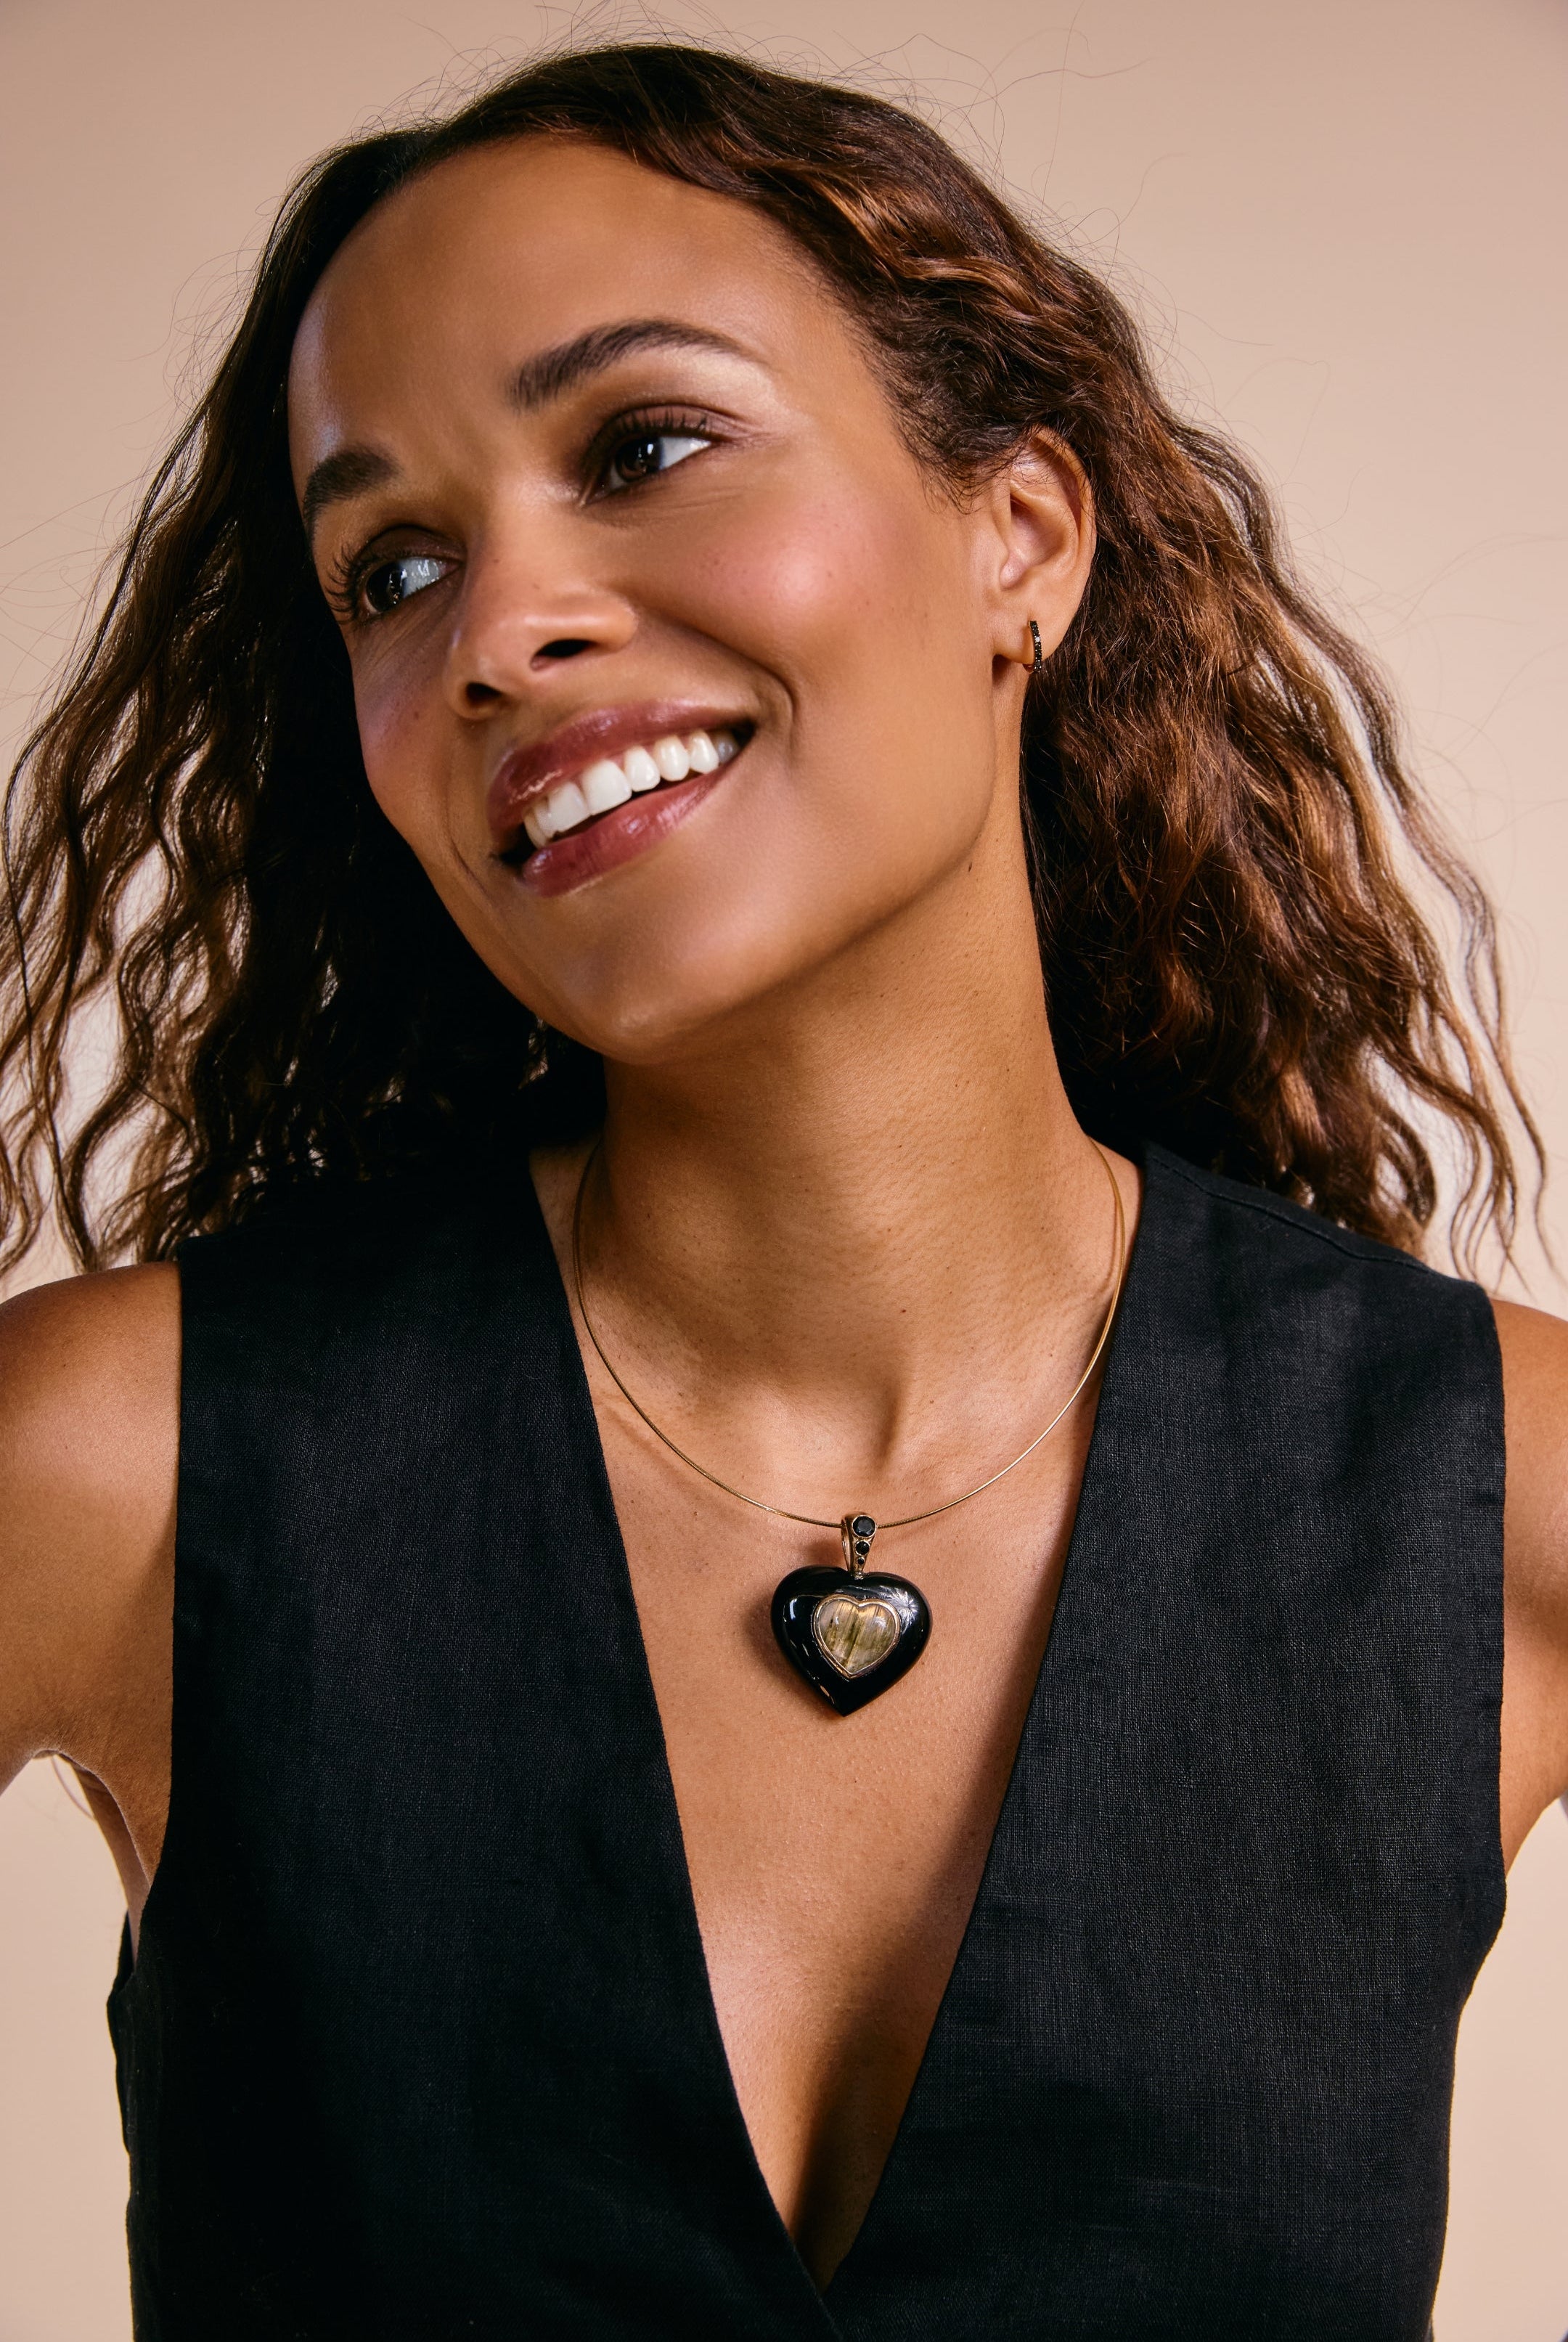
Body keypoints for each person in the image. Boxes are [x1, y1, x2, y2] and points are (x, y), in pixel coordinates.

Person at [0, 41, 1564, 2341]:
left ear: (1016, 536)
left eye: (642, 447)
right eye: (392, 568)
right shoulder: (127, 1462)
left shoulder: (1489, 1497)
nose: (494, 633)